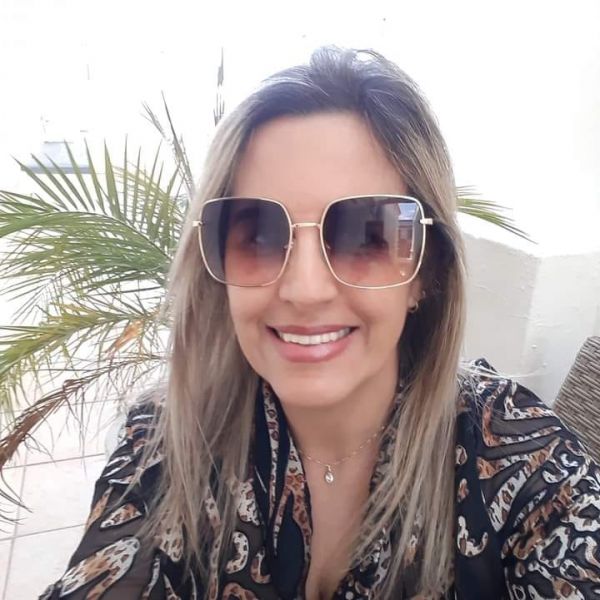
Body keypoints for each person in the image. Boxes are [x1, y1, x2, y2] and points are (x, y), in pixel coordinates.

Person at [41, 46, 600, 600]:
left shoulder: (523, 461)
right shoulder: (166, 441)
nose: (305, 290)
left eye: (367, 235)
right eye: (258, 235)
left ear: (426, 272)